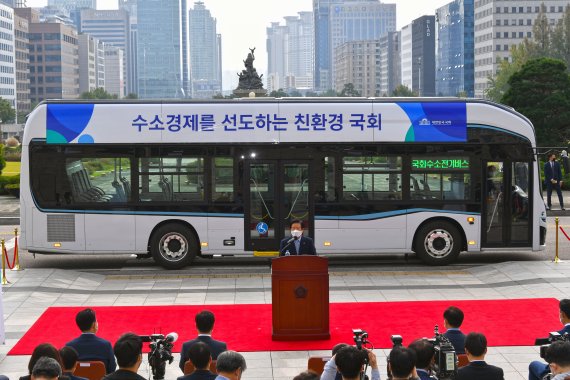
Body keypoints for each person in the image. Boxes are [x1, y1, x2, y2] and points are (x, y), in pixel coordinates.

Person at [529, 299, 570, 380]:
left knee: (533, 365)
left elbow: (551, 359)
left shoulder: (558, 335)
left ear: (563, 314)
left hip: (561, 370)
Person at [66, 308, 116, 374]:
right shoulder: (106, 345)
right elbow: (112, 369)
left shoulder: (70, 346)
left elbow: (67, 370)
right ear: (93, 325)